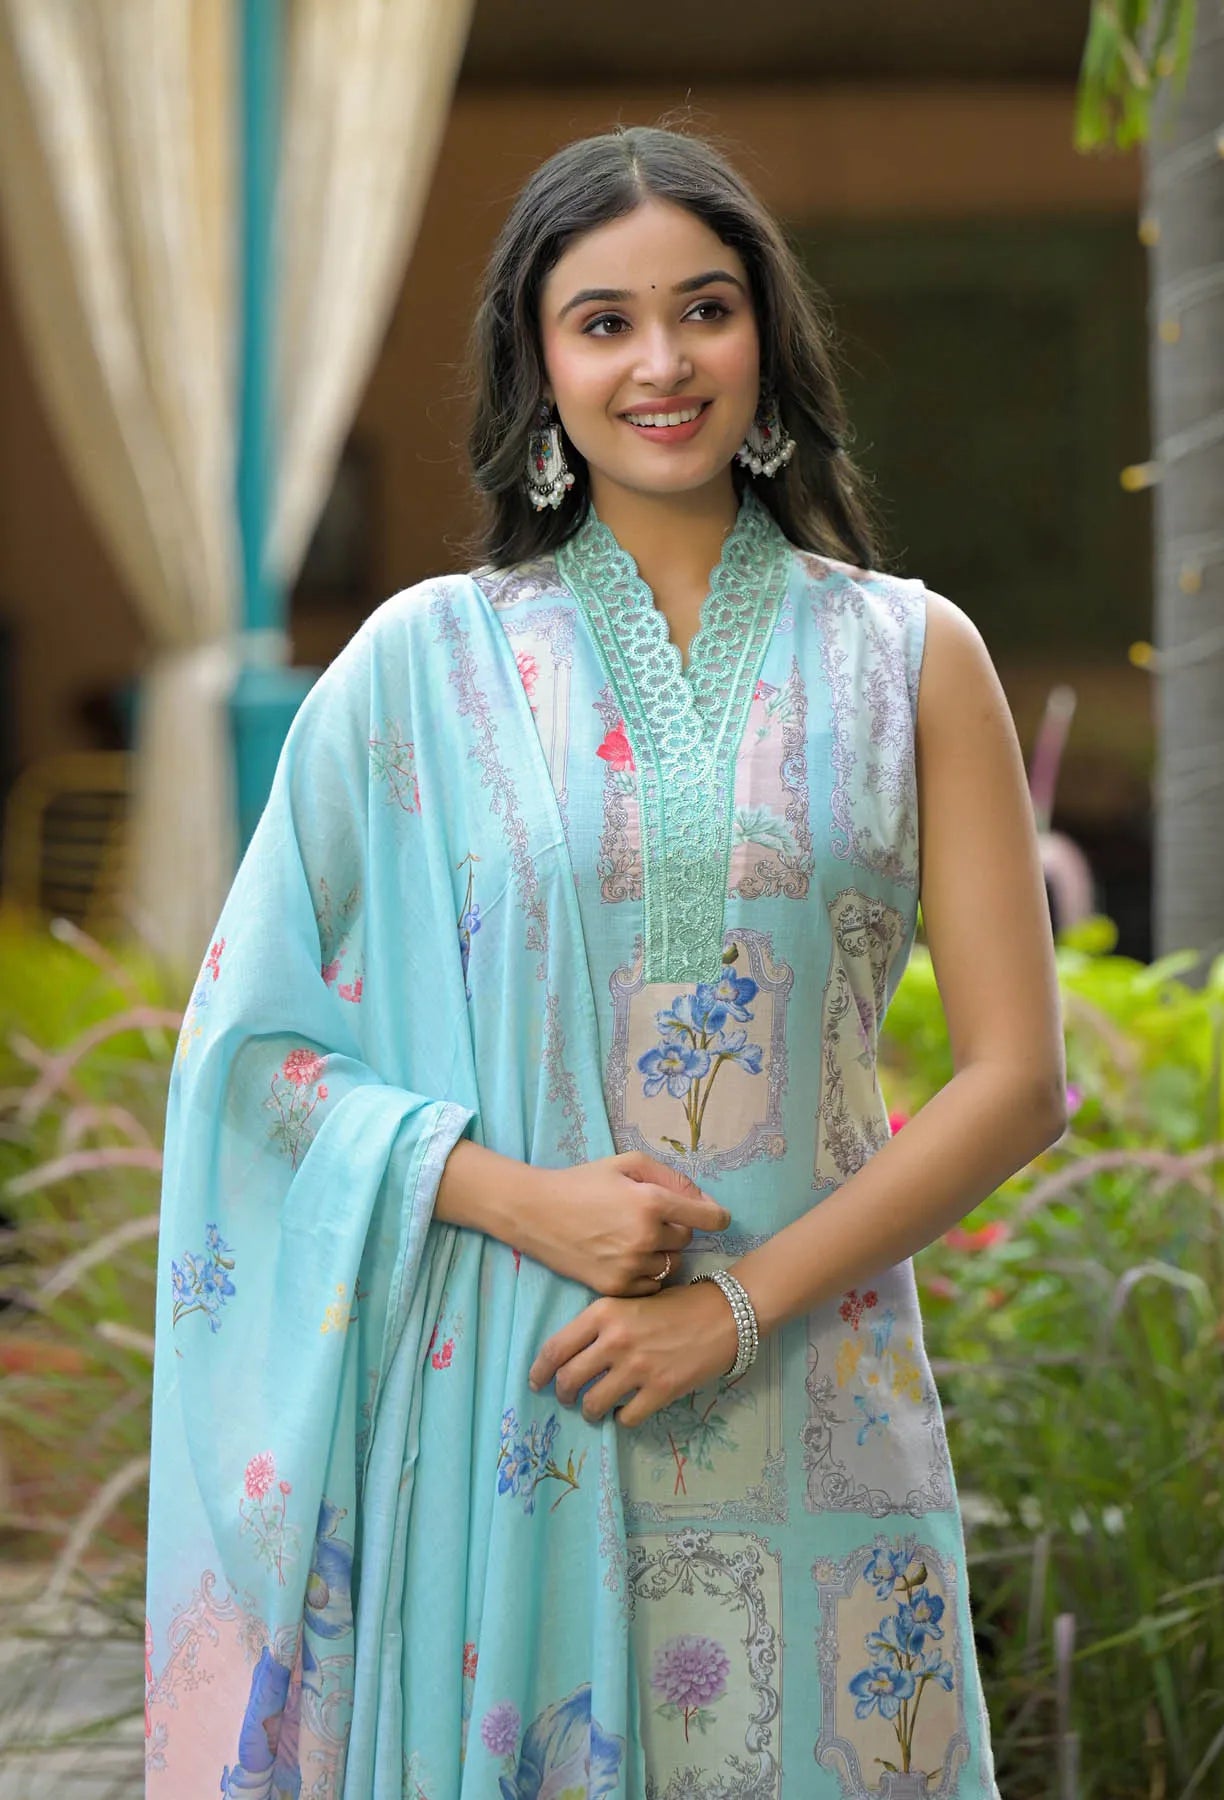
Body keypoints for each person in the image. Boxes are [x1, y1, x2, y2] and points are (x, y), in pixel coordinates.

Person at [144, 125, 1066, 1799]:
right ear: (539, 365)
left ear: (766, 340)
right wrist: (519, 1195)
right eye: (604, 321)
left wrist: (734, 1309)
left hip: (823, 1407)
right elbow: (247, 1060)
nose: (661, 361)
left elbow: (1019, 1079)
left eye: (704, 309)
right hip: (525, 1413)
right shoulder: (417, 669)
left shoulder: (912, 656)